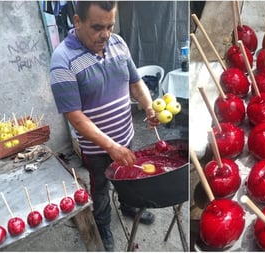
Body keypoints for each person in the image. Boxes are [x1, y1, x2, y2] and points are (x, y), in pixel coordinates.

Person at [49, 1, 159, 251]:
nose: (106, 35)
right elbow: (74, 116)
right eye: (98, 27)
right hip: (97, 149)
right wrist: (110, 147)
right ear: (77, 22)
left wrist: (149, 106)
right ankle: (102, 225)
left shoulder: (118, 43)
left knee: (128, 177)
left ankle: (128, 206)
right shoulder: (62, 61)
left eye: (110, 26)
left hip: (126, 135)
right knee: (100, 189)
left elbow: (136, 82)